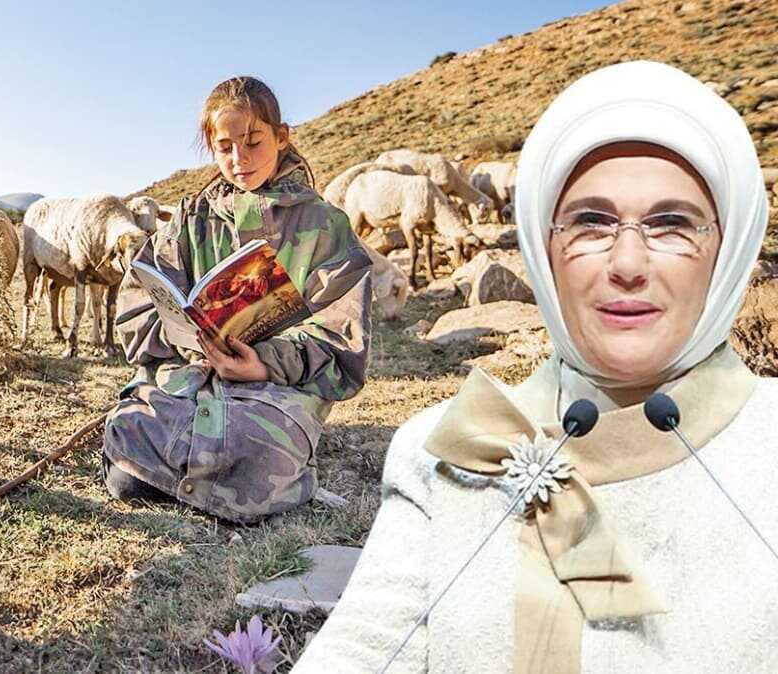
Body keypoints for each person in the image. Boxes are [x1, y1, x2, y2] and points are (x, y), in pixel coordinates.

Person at [294, 60, 777, 673]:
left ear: (729, 249)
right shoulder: (452, 444)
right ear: (543, 245)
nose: (627, 262)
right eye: (590, 222)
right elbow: (364, 649)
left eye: (672, 224)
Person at [102, 76, 373, 523]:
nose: (239, 159)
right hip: (189, 375)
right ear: (211, 145)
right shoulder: (190, 220)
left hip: (274, 390)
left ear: (281, 137)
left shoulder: (325, 226)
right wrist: (192, 340)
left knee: (254, 461)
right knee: (127, 460)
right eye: (225, 146)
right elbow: (137, 307)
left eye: (253, 142)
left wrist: (263, 363)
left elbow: (342, 337)